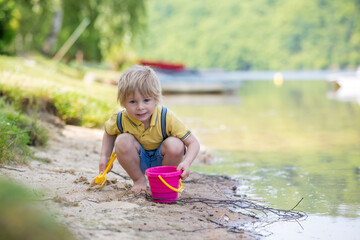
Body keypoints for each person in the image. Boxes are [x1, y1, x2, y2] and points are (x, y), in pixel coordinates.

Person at [99, 65, 200, 192]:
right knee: (122, 140)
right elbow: (109, 133)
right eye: (132, 102)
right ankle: (139, 181)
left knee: (176, 144)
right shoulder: (120, 119)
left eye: (146, 100)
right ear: (123, 102)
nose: (140, 107)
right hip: (137, 161)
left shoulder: (166, 117)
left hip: (163, 162)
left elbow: (193, 142)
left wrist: (187, 162)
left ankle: (165, 181)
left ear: (156, 99)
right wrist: (104, 156)